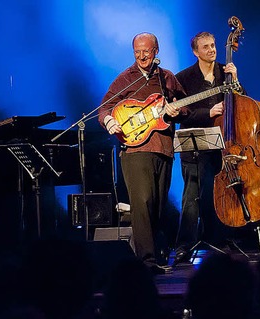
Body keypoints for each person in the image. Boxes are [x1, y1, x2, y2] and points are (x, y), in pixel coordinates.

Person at [98, 32, 187, 273]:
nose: (141, 56)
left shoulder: (167, 78)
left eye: (146, 51)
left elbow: (185, 105)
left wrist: (178, 110)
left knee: (157, 204)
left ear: (156, 51)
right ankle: (146, 262)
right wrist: (109, 122)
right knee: (142, 202)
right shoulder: (126, 78)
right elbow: (104, 107)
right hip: (135, 149)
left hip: (164, 148)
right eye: (137, 51)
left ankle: (154, 257)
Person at [173, 31, 245, 263]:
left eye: (213, 45)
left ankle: (221, 239)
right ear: (196, 52)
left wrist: (237, 83)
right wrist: (208, 113)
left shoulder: (226, 73)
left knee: (223, 193)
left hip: (224, 145)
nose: (212, 50)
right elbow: (178, 113)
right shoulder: (182, 78)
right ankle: (185, 244)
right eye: (206, 47)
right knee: (191, 196)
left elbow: (244, 105)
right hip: (194, 145)